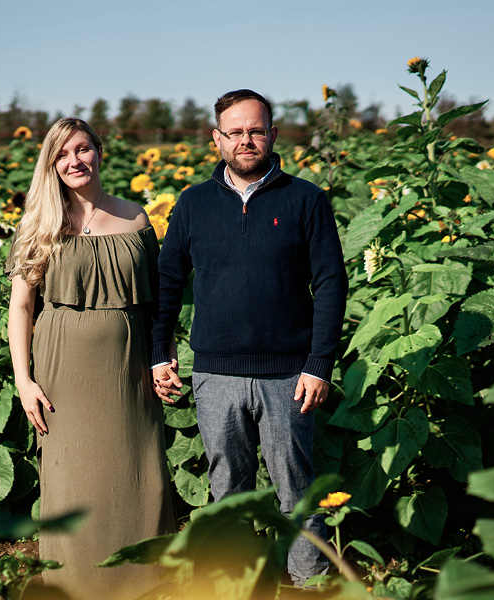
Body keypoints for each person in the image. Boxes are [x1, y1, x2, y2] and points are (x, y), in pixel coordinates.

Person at [151, 90, 348, 586]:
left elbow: (330, 283)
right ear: (216, 139)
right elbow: (168, 281)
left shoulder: (306, 200)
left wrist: (319, 364)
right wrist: (160, 352)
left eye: (256, 130)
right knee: (228, 492)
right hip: (215, 374)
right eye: (235, 132)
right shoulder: (194, 203)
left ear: (274, 135)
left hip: (289, 375)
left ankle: (309, 585)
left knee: (297, 492)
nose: (246, 140)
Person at [7, 118, 175, 600]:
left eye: (82, 149)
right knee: (71, 480)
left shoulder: (135, 219)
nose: (75, 161)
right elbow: (21, 306)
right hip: (62, 373)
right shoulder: (39, 225)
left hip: (127, 368)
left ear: (99, 153)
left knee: (138, 474)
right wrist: (24, 381)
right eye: (62, 154)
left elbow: (156, 304)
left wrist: (164, 358)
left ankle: (143, 585)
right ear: (51, 165)